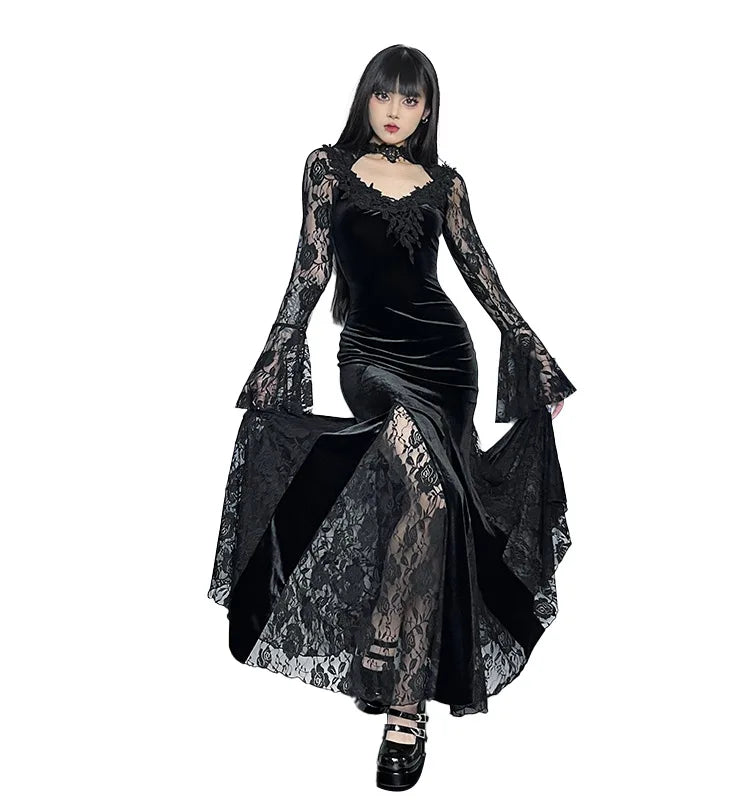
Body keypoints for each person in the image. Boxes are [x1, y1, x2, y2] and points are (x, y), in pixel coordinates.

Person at [208, 44, 577, 791]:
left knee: (430, 502)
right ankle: (387, 640)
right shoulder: (327, 168)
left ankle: (405, 704)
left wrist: (533, 352)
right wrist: (278, 352)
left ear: (428, 110)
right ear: (365, 97)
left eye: (411, 99)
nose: (396, 110)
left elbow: (480, 273)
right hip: (371, 359)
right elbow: (310, 269)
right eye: (385, 95)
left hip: (446, 361)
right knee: (430, 492)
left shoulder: (446, 185)